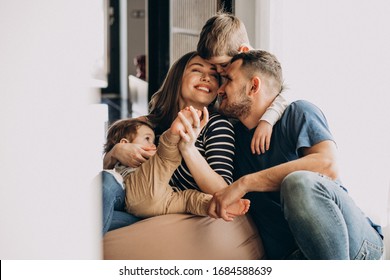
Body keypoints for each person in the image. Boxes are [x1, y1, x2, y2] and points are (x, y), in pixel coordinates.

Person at [208, 50, 384, 260]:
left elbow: (326, 164)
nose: (220, 89)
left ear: (254, 86)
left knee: (298, 182)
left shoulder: (298, 113)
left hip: (356, 246)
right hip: (296, 257)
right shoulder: (231, 138)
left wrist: (245, 183)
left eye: (228, 79)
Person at [102, 51, 238, 235]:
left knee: (88, 218)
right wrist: (116, 152)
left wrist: (188, 149)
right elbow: (110, 170)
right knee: (102, 190)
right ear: (178, 77)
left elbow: (222, 190)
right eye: (197, 70)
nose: (206, 78)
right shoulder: (150, 123)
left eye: (214, 75)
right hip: (130, 203)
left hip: (169, 214)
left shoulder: (217, 125)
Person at [104, 112, 250, 219]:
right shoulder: (129, 156)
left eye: (153, 140)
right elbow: (107, 173)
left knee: (189, 200)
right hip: (137, 194)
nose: (152, 144)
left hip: (163, 198)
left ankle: (218, 206)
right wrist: (115, 152)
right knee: (165, 158)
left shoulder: (217, 125)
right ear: (125, 143)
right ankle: (172, 135)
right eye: (147, 139)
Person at [197, 12, 289, 155]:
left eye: (223, 64)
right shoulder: (221, 70)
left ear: (244, 51)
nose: (219, 71)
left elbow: (287, 91)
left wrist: (267, 120)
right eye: (214, 66)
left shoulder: (265, 68)